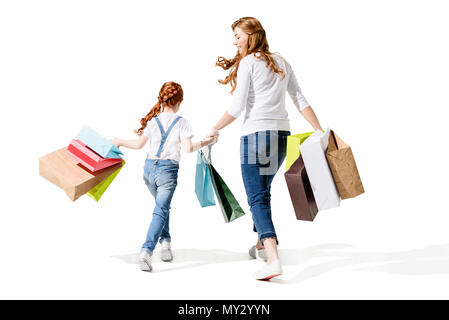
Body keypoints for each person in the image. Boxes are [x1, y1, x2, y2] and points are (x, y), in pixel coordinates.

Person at [209, 17, 323, 280]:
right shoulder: (282, 62)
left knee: (256, 197)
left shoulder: (249, 63)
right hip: (281, 136)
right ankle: (261, 243)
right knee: (263, 190)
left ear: (251, 36)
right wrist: (319, 129)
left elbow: (237, 109)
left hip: (255, 136)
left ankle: (273, 258)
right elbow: (300, 99)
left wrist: (213, 129)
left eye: (237, 35)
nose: (234, 41)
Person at [112, 81, 217, 272]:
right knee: (160, 210)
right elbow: (188, 148)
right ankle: (146, 252)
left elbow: (138, 145)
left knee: (162, 207)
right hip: (167, 172)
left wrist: (119, 141)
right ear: (180, 101)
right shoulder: (182, 123)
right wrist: (207, 141)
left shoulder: (153, 121)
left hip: (148, 170)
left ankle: (166, 242)